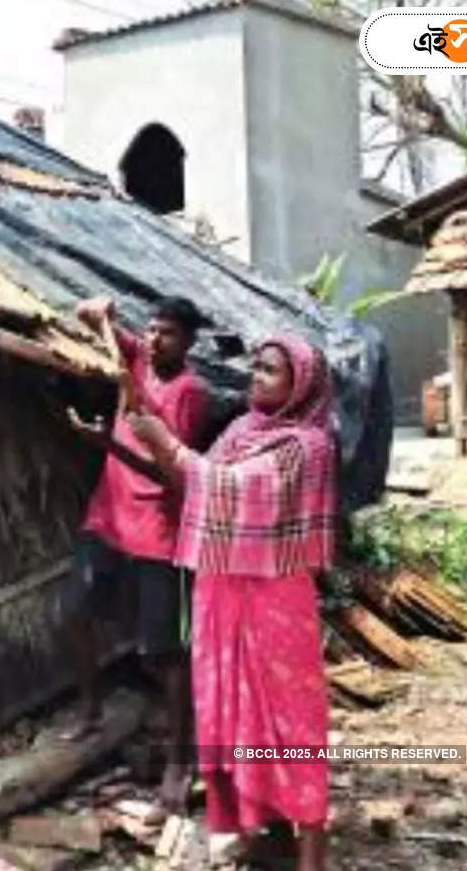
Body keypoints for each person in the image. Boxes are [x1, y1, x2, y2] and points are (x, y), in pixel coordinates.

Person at [128, 334, 336, 871]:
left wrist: (168, 445)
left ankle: (313, 854)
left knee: (290, 724)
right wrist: (147, 439)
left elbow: (237, 489)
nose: (257, 378)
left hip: (275, 598)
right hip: (221, 590)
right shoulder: (243, 430)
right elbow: (193, 480)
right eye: (257, 368)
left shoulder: (306, 444)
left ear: (301, 385)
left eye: (271, 371)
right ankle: (260, 831)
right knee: (234, 712)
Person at [60, 294, 208, 812]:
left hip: (157, 530)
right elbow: (87, 317)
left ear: (189, 342)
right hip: (108, 518)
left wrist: (110, 446)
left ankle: (179, 760)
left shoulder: (191, 393)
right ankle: (91, 711)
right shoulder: (139, 358)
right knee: (74, 612)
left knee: (163, 651)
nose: (153, 339)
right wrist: (102, 314)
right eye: (149, 330)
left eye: (166, 333)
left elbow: (171, 474)